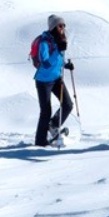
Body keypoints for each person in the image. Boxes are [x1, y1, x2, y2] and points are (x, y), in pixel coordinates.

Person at [34, 14, 75, 146]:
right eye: (60, 25)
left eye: (64, 25)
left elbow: (57, 60)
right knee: (46, 111)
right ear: (53, 27)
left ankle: (53, 125)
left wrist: (65, 65)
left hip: (56, 78)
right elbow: (45, 62)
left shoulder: (59, 40)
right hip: (43, 81)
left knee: (68, 104)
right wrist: (58, 50)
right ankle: (40, 142)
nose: (63, 28)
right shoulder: (45, 42)